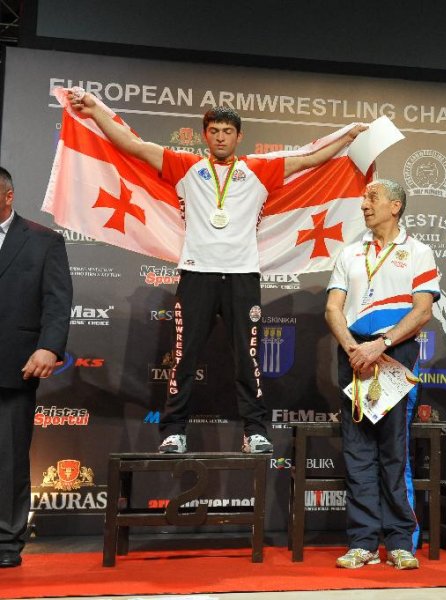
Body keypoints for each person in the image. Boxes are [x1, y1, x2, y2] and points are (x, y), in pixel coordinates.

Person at [70, 90, 364, 454]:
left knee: (248, 359)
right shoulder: (185, 165)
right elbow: (131, 144)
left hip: (242, 277)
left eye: (228, 130)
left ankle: (254, 432)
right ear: (205, 135)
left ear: (239, 137)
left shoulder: (258, 168)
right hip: (197, 275)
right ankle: (174, 433)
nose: (221, 136)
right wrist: (96, 110)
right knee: (184, 359)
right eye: (214, 130)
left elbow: (311, 159)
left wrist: (349, 137)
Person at [325, 179, 438, 570]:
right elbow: (333, 309)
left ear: (395, 206)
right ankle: (363, 543)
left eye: (372, 198)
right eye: (364, 198)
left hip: (395, 355)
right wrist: (354, 348)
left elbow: (422, 311)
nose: (364, 204)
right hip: (354, 354)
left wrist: (381, 344)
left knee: (394, 452)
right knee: (357, 453)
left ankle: (400, 541)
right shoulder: (350, 252)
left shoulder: (419, 252)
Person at [0, 167, 73, 568]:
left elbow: (58, 301)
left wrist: (48, 347)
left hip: (14, 364)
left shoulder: (44, 241)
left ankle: (6, 542)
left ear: (8, 196)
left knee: (8, 458)